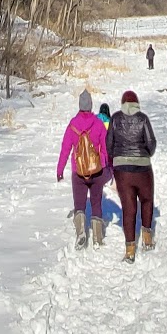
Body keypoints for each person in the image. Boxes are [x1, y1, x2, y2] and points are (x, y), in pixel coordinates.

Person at [105, 89, 157, 261]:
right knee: (147, 200)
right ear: (136, 103)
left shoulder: (115, 118)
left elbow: (109, 144)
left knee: (128, 208)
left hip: (122, 171)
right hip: (143, 168)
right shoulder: (143, 119)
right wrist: (144, 154)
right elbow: (151, 143)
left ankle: (130, 250)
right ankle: (147, 239)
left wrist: (117, 157)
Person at [55, 90, 111, 249]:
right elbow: (106, 147)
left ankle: (81, 232)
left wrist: (60, 170)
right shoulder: (98, 124)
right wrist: (107, 166)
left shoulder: (72, 124)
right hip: (97, 170)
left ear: (80, 105)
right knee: (96, 202)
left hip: (78, 171)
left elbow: (65, 149)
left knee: (79, 204)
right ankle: (98, 238)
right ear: (91, 105)